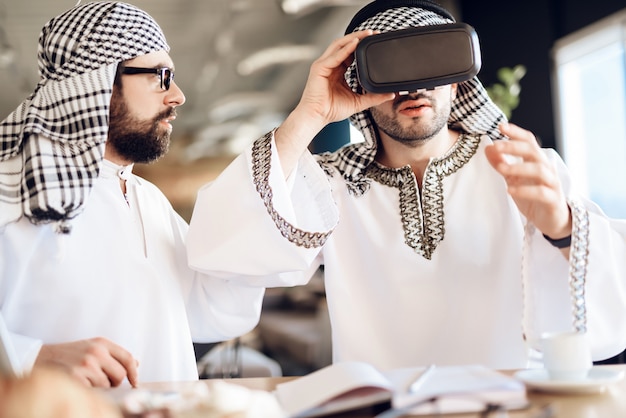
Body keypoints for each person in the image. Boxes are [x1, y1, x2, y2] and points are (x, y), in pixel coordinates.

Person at [186, 0, 626, 371]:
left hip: (506, 407)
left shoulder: (519, 166)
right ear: (360, 81)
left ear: (458, 76)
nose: (414, 86)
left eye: (430, 62)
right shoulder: (328, 185)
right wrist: (310, 115)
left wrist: (563, 228)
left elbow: (606, 314)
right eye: (393, 69)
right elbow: (223, 257)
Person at [0, 1, 266, 387]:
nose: (177, 96)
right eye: (161, 76)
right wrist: (31, 357)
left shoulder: (148, 199)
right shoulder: (12, 189)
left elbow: (215, 310)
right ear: (98, 82)